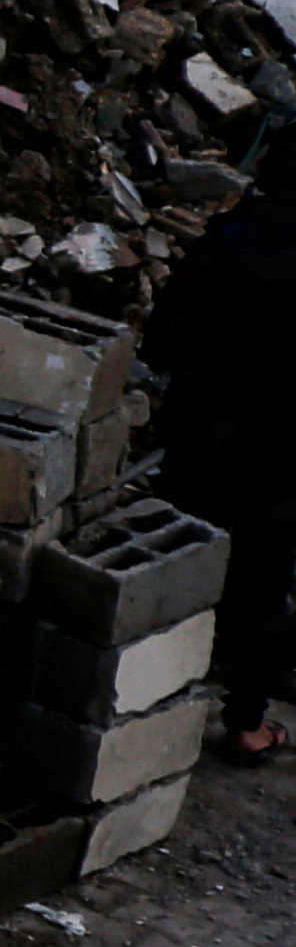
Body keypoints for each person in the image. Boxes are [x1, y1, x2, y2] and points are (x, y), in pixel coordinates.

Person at [148, 183, 296, 761]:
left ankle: (149, 691)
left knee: (177, 557)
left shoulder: (232, 236)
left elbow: (162, 341)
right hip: (281, 452)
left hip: (200, 432)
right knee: (263, 578)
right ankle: (245, 722)